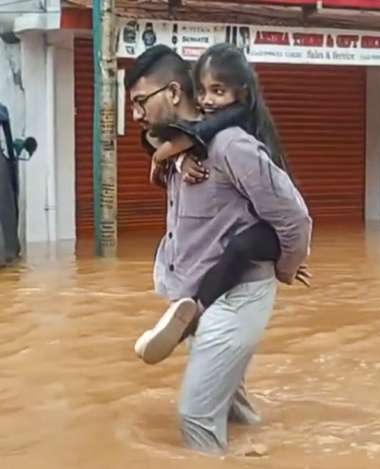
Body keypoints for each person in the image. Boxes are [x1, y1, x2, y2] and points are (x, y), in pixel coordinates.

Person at [124, 44, 312, 454]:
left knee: (196, 416)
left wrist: (285, 266)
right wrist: (172, 160)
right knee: (231, 409)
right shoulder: (179, 147)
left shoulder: (230, 146)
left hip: (236, 297)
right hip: (199, 296)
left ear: (173, 93)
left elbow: (295, 218)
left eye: (141, 102)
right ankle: (273, 452)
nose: (135, 114)